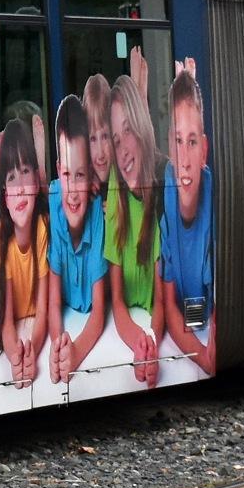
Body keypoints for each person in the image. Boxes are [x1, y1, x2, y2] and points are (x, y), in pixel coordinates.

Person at [103, 49, 165, 387]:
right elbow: (118, 304)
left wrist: (152, 340)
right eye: (116, 138)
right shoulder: (117, 204)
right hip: (134, 329)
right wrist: (139, 344)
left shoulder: (159, 203)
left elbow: (162, 301)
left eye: (129, 130)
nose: (123, 147)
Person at [157, 59, 215, 378]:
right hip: (188, 337)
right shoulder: (164, 188)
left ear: (203, 151)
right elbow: (169, 308)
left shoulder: (216, 201)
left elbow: (221, 313)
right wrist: (204, 358)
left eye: (192, 142)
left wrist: (213, 351)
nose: (184, 160)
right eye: (178, 141)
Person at [47, 96, 109, 384]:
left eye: (81, 175)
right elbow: (52, 303)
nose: (72, 191)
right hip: (67, 317)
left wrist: (76, 352)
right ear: (59, 171)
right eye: (68, 175)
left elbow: (99, 310)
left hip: (86, 322)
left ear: (92, 178)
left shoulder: (96, 211)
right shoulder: (53, 201)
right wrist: (58, 347)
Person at [0, 113, 47, 385]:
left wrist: (31, 348)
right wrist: (14, 355)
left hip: (35, 316)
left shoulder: (43, 229)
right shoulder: (6, 243)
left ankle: (41, 173)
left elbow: (44, 311)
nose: (21, 188)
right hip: (8, 217)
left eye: (25, 173)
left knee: (43, 211)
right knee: (6, 223)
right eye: (12, 177)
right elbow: (6, 320)